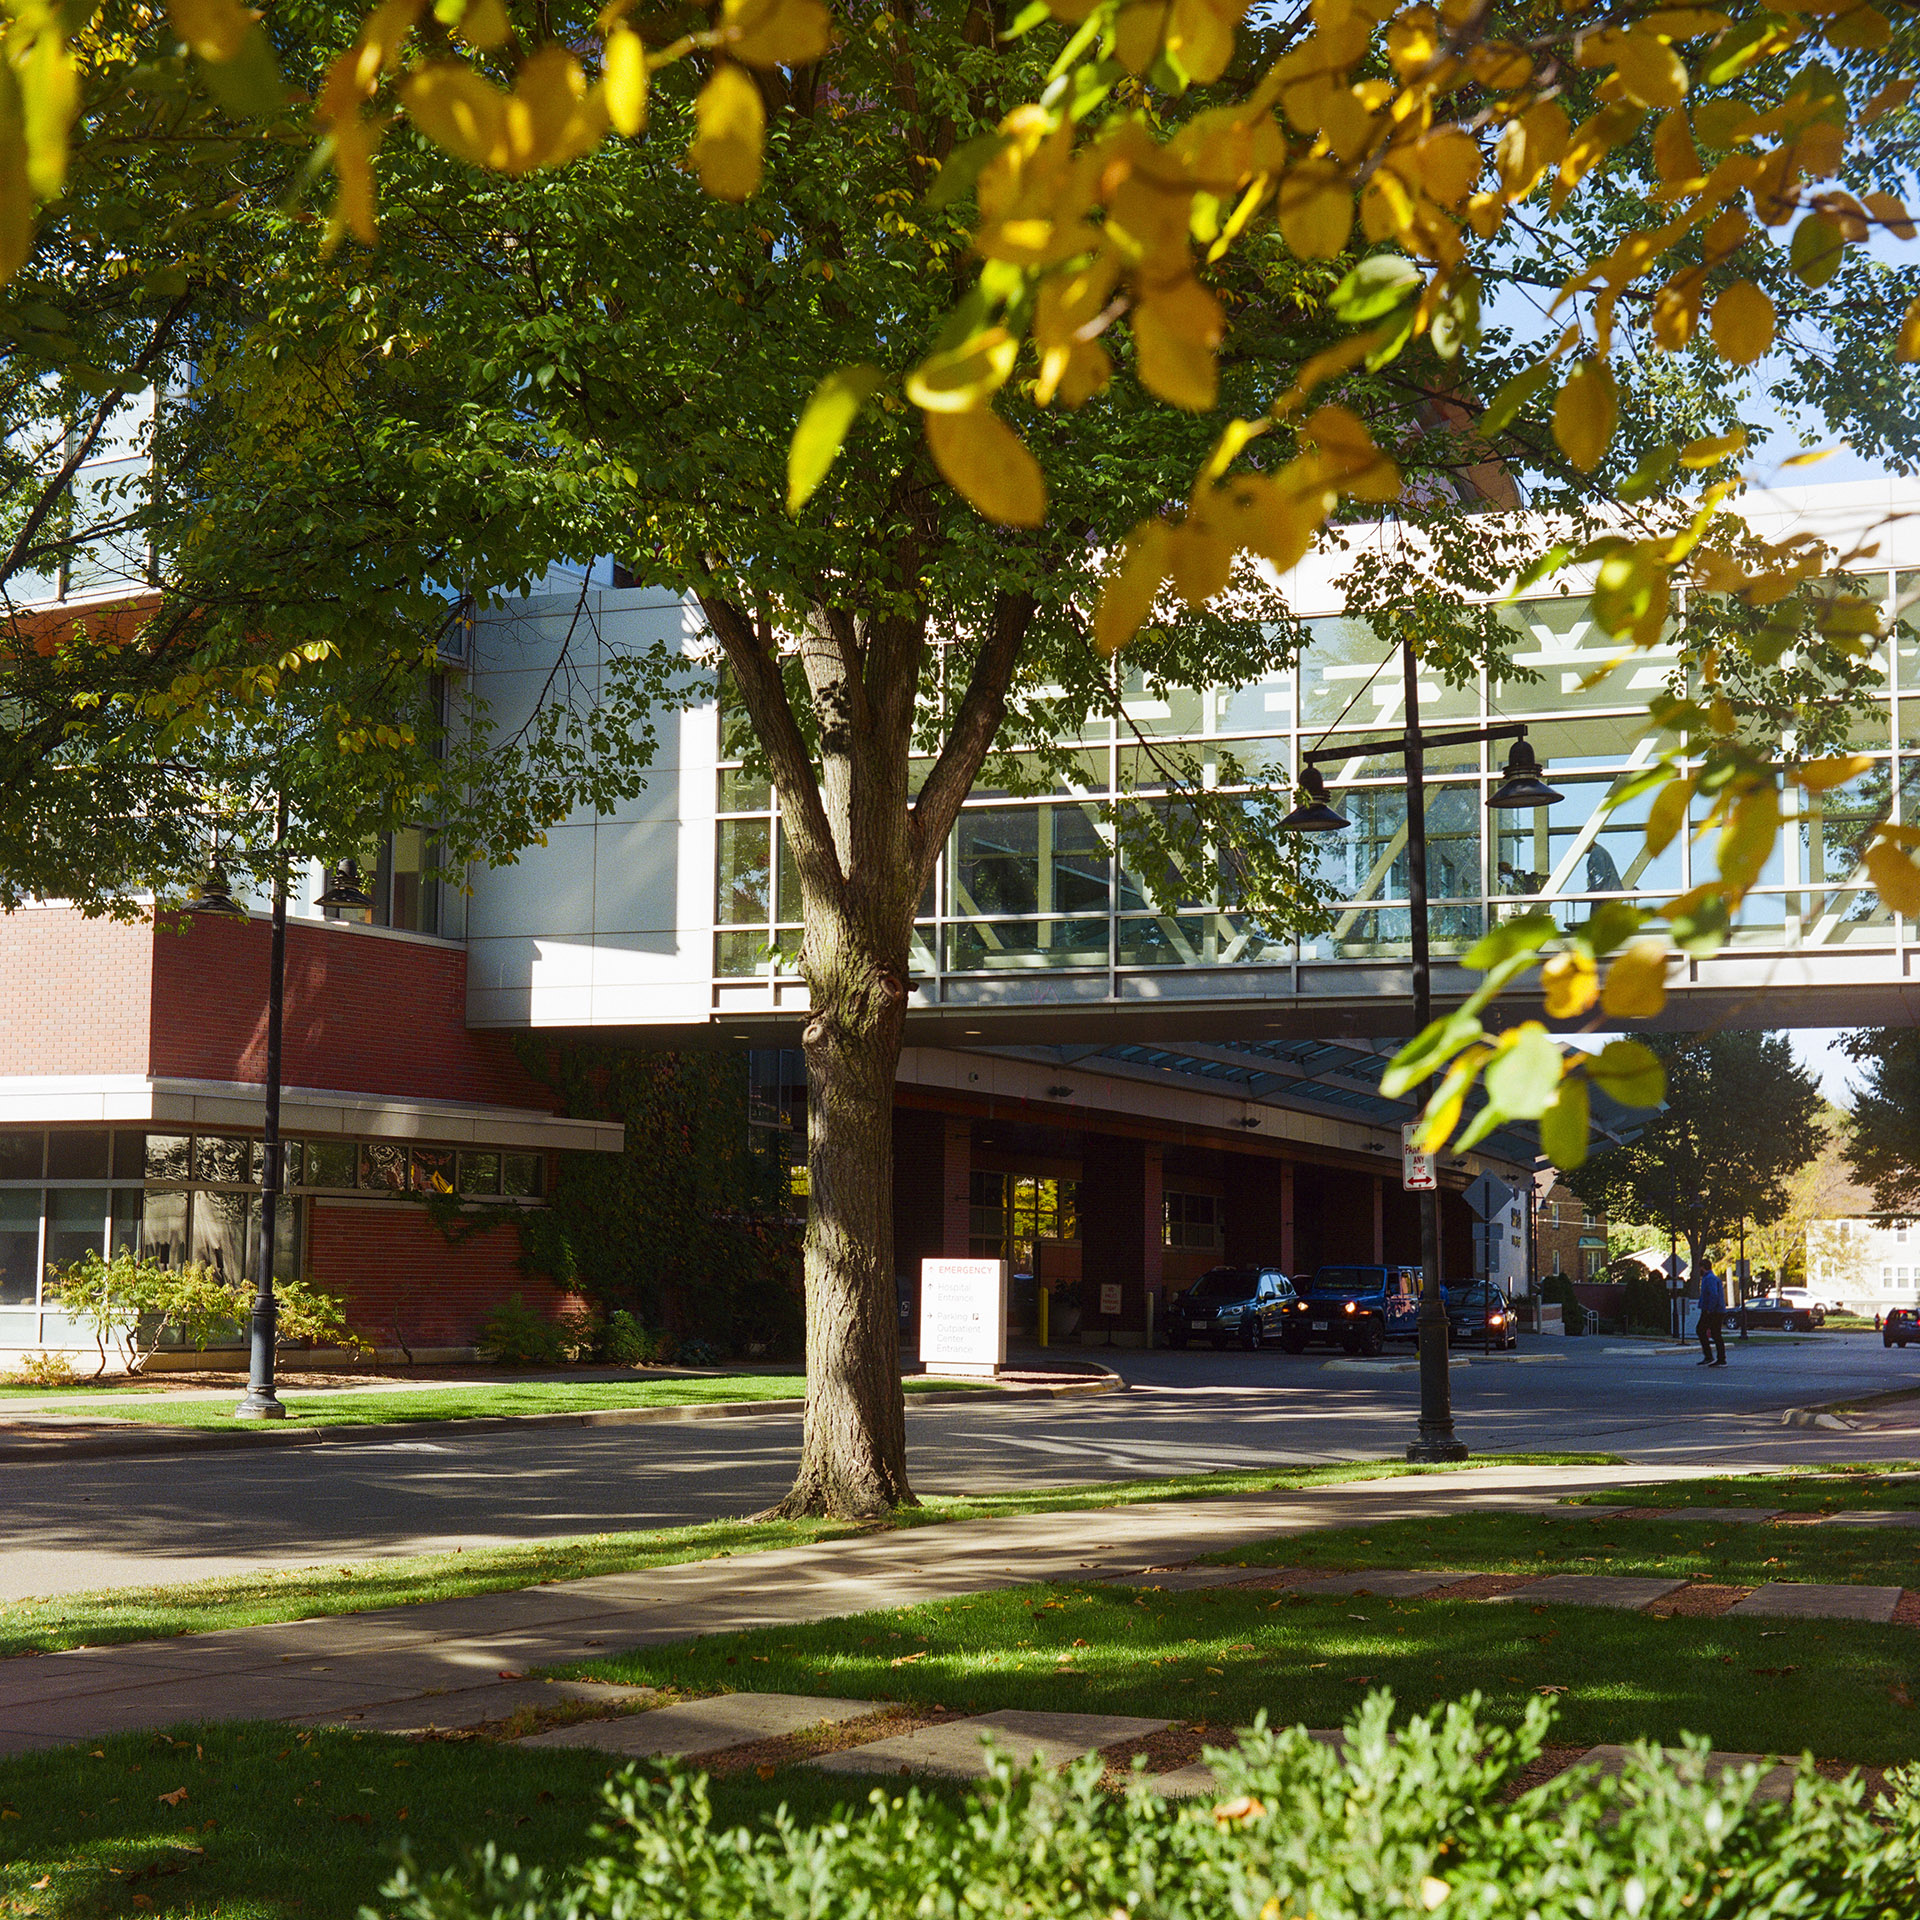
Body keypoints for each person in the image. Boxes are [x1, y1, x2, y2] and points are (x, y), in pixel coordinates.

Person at [1697, 1262, 1728, 1367]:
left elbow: (1713, 1294)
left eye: (1699, 1268)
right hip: (1715, 1310)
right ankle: (1717, 1358)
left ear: (1703, 1267)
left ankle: (1714, 1357)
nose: (1698, 1271)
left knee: (1702, 1330)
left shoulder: (1709, 1278)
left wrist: (1710, 1309)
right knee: (1714, 1333)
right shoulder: (1711, 1278)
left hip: (1713, 1311)